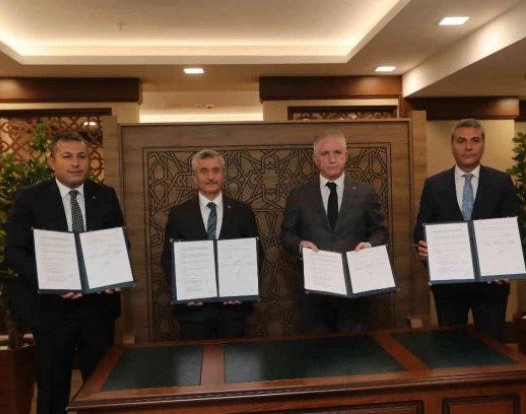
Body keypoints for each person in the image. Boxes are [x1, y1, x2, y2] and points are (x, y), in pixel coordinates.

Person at [5, 132, 125, 414]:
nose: (75, 163)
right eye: (67, 156)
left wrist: (115, 274)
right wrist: (50, 281)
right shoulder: (30, 198)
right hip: (51, 311)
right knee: (52, 387)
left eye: (82, 156)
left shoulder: (105, 196)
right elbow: (14, 251)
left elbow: (119, 243)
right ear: (52, 162)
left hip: (97, 308)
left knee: (100, 387)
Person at [413, 118, 519, 341]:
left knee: (492, 347)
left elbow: (514, 228)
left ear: (483, 145)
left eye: (475, 140)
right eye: (461, 141)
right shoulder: (434, 185)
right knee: (451, 347)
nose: (468, 147)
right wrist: (426, 251)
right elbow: (421, 230)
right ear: (452, 145)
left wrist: (507, 266)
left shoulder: (501, 182)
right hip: (449, 285)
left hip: (492, 283)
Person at [281, 128, 388, 333]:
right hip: (314, 291)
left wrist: (369, 245)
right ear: (315, 159)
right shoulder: (298, 195)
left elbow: (380, 231)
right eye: (325, 154)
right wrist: (300, 245)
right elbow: (287, 235)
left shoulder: (365, 193)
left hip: (355, 288)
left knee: (353, 348)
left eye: (337, 153)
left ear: (346, 156)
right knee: (317, 348)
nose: (332, 159)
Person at [160, 149, 263, 340]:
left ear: (223, 174)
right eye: (204, 171)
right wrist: (182, 291)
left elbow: (256, 254)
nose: (210, 177)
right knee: (194, 359)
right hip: (193, 312)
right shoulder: (179, 214)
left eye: (216, 170)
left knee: (235, 359)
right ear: (194, 177)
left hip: (233, 310)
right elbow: (168, 258)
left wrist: (243, 288)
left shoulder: (243, 211)